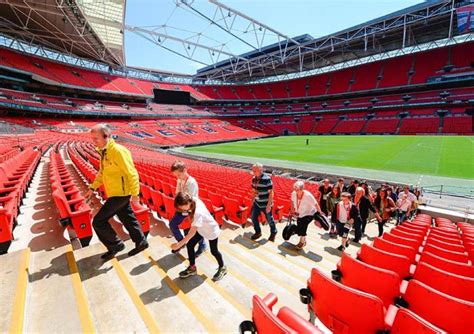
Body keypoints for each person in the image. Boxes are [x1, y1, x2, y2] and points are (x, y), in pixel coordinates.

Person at [85, 123, 148, 260]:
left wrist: (135, 194)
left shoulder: (119, 151)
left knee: (98, 222)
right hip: (114, 193)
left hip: (121, 194)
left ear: (106, 136)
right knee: (128, 218)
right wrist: (92, 188)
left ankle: (115, 245)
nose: (93, 142)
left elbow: (132, 174)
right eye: (92, 139)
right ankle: (141, 242)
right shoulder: (104, 151)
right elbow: (102, 172)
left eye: (96, 138)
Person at [170, 192, 227, 281]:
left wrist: (179, 244)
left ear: (187, 203)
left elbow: (191, 233)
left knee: (214, 251)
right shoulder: (192, 200)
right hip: (201, 229)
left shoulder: (197, 213)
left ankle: (222, 267)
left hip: (211, 230)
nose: (181, 210)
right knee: (190, 245)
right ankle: (192, 268)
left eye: (182, 208)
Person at [169, 161, 206, 256]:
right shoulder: (179, 180)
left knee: (194, 229)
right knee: (173, 224)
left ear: (185, 170)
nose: (177, 177)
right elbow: (177, 194)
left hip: (191, 209)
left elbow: (191, 201)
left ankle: (202, 245)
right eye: (176, 175)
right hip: (182, 208)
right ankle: (181, 243)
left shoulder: (191, 182)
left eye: (179, 174)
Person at [289, 181, 323, 250]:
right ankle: (303, 239)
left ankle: (302, 242)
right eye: (295, 189)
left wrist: (320, 214)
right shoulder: (293, 193)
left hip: (309, 213)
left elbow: (316, 204)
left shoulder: (308, 195)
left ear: (302, 189)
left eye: (297, 189)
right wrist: (292, 210)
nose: (295, 191)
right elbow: (292, 201)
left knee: (303, 226)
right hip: (299, 213)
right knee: (300, 227)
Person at [250, 163, 277, 241]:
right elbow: (254, 190)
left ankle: (273, 232)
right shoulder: (253, 178)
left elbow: (271, 193)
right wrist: (253, 197)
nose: (253, 172)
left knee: (270, 220)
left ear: (261, 170)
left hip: (265, 204)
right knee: (253, 218)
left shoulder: (267, 179)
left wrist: (268, 205)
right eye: (253, 170)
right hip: (257, 203)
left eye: (255, 170)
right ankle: (258, 232)